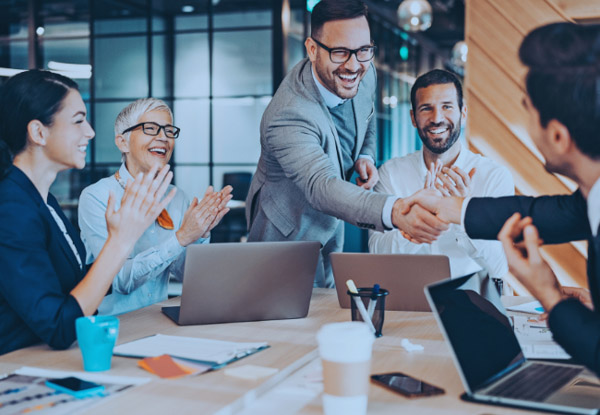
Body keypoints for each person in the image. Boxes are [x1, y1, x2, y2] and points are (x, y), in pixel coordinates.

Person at [403, 23, 600, 374]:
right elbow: (541, 212)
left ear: (557, 135)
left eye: (528, 109)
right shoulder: (590, 199)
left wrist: (549, 296)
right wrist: (449, 207)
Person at [246, 0, 448, 287]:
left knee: (324, 318)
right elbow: (321, 186)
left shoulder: (364, 75)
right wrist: (397, 211)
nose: (353, 65)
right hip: (284, 238)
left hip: (331, 228)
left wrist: (365, 154)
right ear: (313, 49)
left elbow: (368, 119)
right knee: (284, 328)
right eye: (340, 52)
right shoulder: (288, 114)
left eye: (363, 50)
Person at [0, 70, 175, 355]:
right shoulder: (11, 209)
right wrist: (120, 241)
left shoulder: (44, 201)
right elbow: (59, 326)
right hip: (16, 367)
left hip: (52, 358)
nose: (90, 132)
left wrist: (122, 239)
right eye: (79, 121)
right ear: (38, 132)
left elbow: (74, 284)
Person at [79, 98, 232, 316]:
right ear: (122, 142)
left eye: (169, 131)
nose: (163, 137)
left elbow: (187, 276)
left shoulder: (176, 196)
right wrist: (181, 237)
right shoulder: (98, 197)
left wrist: (200, 232)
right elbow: (120, 280)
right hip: (113, 326)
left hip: (160, 319)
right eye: (150, 129)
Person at [369, 69, 513, 279]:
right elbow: (378, 255)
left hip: (470, 305)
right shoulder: (390, 174)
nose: (437, 118)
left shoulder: (494, 177)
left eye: (446, 106)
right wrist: (415, 217)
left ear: (463, 113)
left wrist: (463, 214)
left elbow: (498, 269)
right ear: (413, 117)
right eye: (426, 108)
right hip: (407, 303)